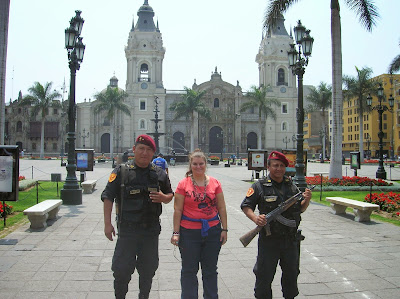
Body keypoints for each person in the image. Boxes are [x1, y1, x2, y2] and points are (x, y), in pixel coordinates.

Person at [101, 134, 174, 299]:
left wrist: (164, 198)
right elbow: (108, 196)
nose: (144, 153)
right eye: (141, 149)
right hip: (127, 231)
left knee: (148, 269)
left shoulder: (159, 173)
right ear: (134, 150)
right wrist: (107, 224)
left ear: (153, 153)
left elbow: (170, 194)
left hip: (150, 231)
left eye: (149, 150)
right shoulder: (122, 171)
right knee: (121, 270)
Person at [240, 151, 312, 299]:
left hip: (291, 241)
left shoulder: (291, 186)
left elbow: (300, 209)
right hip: (269, 240)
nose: (278, 169)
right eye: (275, 165)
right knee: (264, 276)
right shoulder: (259, 186)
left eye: (281, 166)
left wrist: (307, 199)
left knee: (291, 275)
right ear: (269, 167)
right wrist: (256, 219)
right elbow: (246, 206)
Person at [171, 149, 228, 299]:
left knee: (210, 270)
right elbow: (177, 209)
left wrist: (225, 229)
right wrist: (176, 233)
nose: (198, 166)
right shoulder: (183, 184)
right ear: (190, 165)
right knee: (189, 270)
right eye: (195, 164)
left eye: (201, 163)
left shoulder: (215, 183)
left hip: (212, 231)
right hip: (189, 232)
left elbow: (221, 207)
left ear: (205, 164)